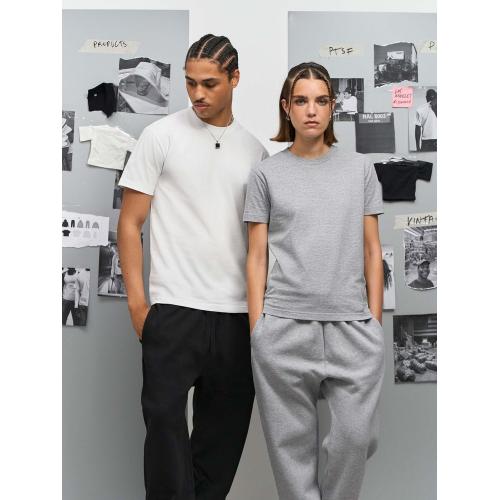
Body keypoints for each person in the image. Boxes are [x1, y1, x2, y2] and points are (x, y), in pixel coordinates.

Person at [117, 34, 267, 500]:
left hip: (236, 316)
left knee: (220, 446)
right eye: (189, 83)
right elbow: (130, 224)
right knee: (164, 428)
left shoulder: (256, 153)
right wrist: (139, 307)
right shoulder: (160, 136)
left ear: (235, 79)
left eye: (209, 84)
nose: (197, 94)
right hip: (173, 310)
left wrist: (260, 319)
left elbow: (260, 245)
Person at [244, 62, 385, 500]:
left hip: (352, 328)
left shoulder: (360, 169)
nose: (311, 110)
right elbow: (256, 256)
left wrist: (374, 323)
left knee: (354, 439)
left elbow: (372, 251)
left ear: (332, 108)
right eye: (301, 101)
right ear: (286, 107)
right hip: (283, 329)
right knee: (291, 455)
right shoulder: (266, 174)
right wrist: (258, 329)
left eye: (321, 101)